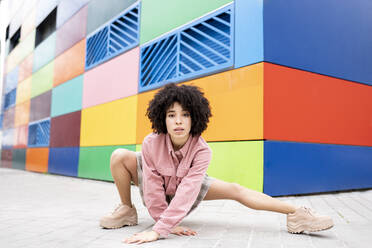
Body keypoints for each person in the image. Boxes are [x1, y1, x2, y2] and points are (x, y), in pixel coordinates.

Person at [100, 83, 334, 244]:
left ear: (196, 117)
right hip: (159, 191)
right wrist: (164, 225)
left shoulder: (202, 150)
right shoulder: (151, 143)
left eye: (186, 114)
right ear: (162, 118)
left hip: (184, 190)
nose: (178, 121)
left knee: (235, 189)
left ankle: (297, 214)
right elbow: (151, 188)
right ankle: (126, 210)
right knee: (120, 155)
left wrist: (161, 228)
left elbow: (189, 190)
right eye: (171, 115)